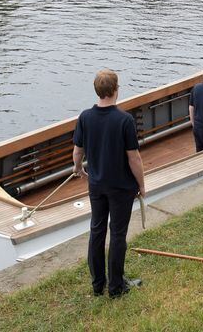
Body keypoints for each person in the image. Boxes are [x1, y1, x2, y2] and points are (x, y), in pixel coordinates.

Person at [72, 69, 146, 299]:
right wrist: (141, 184)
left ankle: (97, 284)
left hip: (96, 184)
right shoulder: (124, 120)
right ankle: (116, 286)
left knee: (97, 231)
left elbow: (78, 151)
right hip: (121, 187)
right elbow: (133, 157)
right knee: (117, 234)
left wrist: (77, 168)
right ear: (115, 90)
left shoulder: (85, 117)